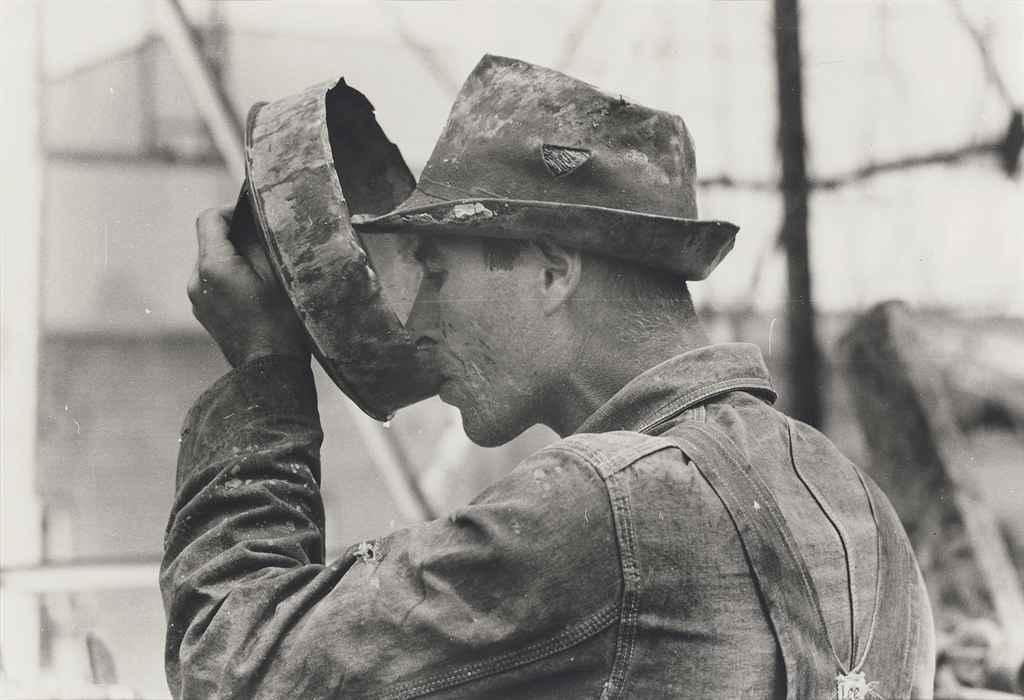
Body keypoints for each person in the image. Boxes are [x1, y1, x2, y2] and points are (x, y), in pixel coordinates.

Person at [162, 55, 935, 699]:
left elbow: (230, 661)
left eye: (435, 270)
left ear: (553, 269)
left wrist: (265, 374)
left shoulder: (602, 505)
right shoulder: (855, 500)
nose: (418, 319)